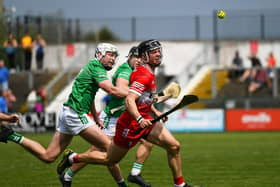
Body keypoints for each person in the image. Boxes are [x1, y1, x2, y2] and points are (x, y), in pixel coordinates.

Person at [58, 40, 197, 187]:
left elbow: (145, 98)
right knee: (110, 159)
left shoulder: (148, 73)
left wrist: (164, 97)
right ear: (143, 56)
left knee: (174, 146)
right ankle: (73, 158)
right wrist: (139, 118)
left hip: (144, 119)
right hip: (129, 123)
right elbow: (129, 100)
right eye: (153, 52)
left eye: (159, 51)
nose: (158, 54)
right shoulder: (139, 74)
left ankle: (178, 184)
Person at [0, 43, 130, 187]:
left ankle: (12, 136)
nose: (113, 59)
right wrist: (136, 93)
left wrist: (95, 116)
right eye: (110, 55)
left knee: (48, 156)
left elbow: (90, 94)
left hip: (68, 111)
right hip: (75, 114)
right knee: (110, 150)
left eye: (115, 56)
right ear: (100, 54)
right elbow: (112, 90)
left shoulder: (93, 67)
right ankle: (74, 158)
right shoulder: (96, 67)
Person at [59, 46, 153, 187]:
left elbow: (139, 97)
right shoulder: (124, 71)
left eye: (141, 58)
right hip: (112, 117)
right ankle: (69, 173)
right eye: (136, 57)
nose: (139, 60)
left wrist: (153, 107)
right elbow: (121, 89)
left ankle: (135, 174)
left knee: (147, 142)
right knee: (103, 152)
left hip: (127, 117)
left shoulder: (138, 73)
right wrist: (136, 93)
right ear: (130, 57)